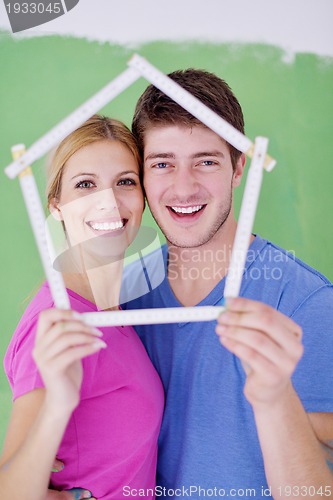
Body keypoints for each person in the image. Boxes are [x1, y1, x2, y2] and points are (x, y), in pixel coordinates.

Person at [121, 69, 333, 498]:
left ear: (239, 168)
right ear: (141, 177)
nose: (184, 187)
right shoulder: (122, 298)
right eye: (162, 164)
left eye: (206, 161)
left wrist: (275, 400)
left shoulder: (306, 302)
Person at [0, 115, 164, 500]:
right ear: (56, 205)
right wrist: (57, 405)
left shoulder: (116, 309)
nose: (107, 201)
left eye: (125, 181)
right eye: (85, 185)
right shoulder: (59, 324)